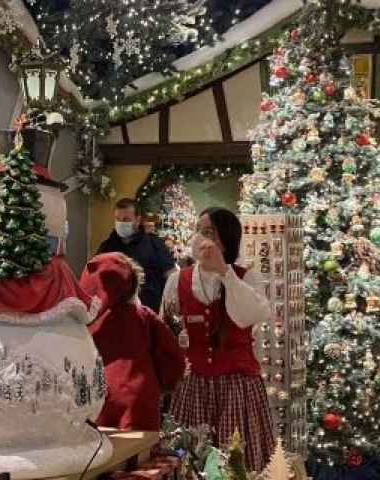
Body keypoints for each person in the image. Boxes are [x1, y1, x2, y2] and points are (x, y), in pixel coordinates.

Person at [162, 207, 274, 471]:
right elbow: (167, 328)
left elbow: (249, 315)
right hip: (194, 387)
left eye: (208, 231)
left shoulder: (247, 277)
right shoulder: (178, 281)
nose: (200, 238)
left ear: (226, 238)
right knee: (190, 461)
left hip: (237, 386)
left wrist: (225, 271)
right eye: (198, 230)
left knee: (237, 462)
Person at [83, 252, 184, 431]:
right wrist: (164, 384)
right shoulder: (144, 316)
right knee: (140, 453)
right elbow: (172, 358)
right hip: (138, 400)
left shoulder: (88, 324)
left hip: (96, 400)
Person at [97, 198, 176, 313]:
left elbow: (171, 277)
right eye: (118, 219)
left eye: (126, 219)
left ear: (138, 220)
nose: (121, 223)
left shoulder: (154, 244)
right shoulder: (107, 247)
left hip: (149, 314)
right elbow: (95, 278)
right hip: (115, 314)